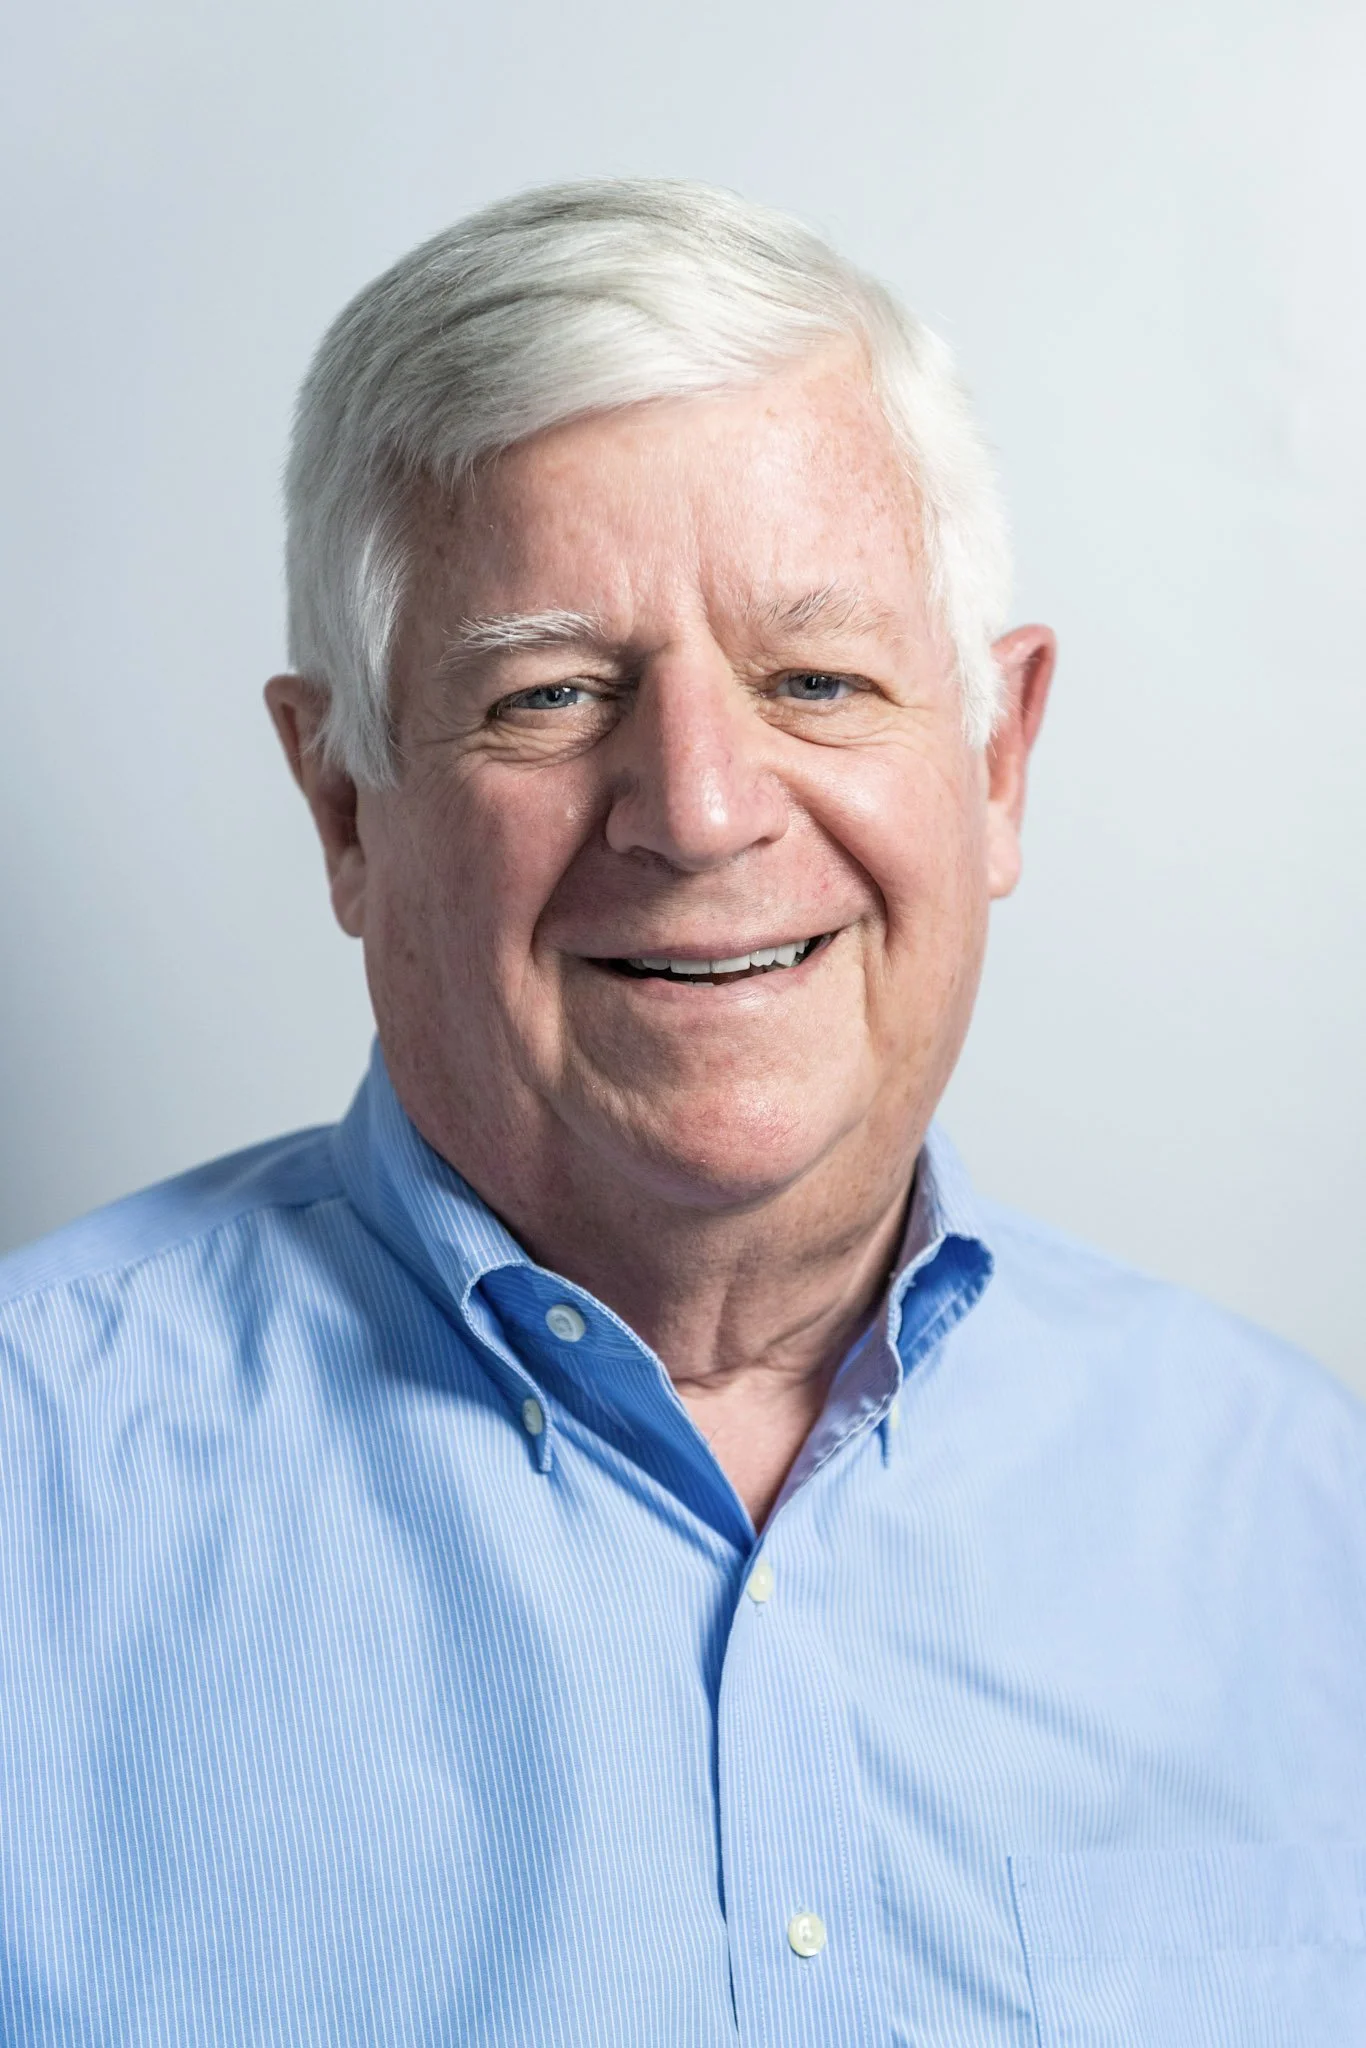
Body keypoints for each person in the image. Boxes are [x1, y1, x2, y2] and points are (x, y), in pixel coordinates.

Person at [1, 180, 1363, 2048]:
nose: (703, 809)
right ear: (341, 808)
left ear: (996, 761)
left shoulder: (1304, 1517)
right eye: (552, 696)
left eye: (815, 679)